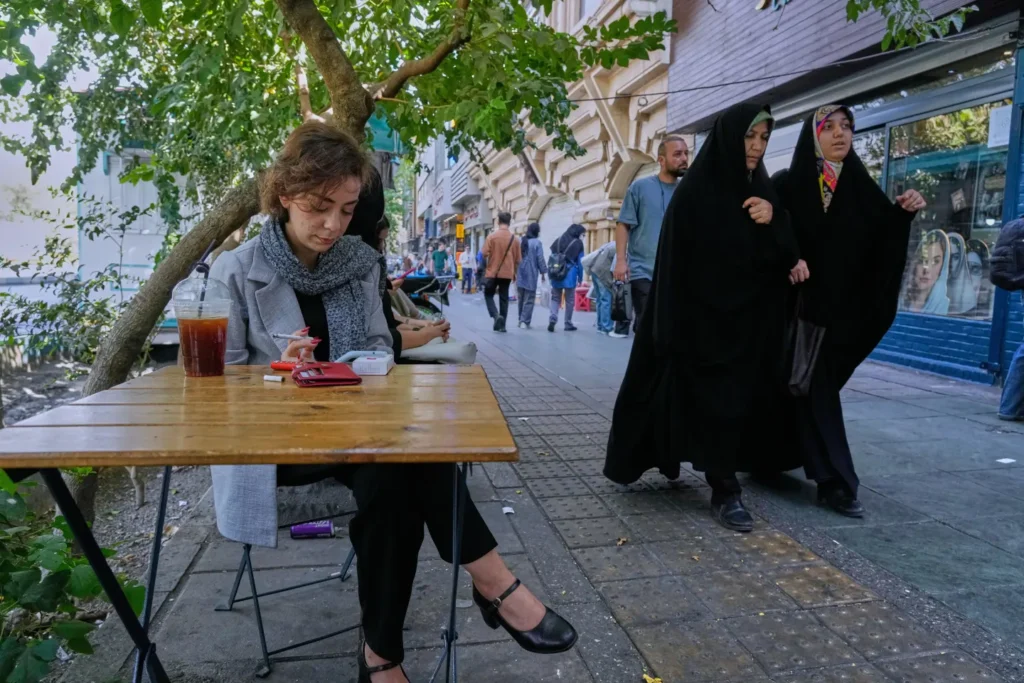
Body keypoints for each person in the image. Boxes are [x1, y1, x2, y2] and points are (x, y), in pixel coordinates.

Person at [209, 122, 576, 683]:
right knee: (405, 466)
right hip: (277, 445)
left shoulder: (359, 262)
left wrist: (355, 366)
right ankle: (493, 585)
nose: (334, 225)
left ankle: (382, 657)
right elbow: (220, 382)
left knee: (395, 480)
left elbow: (382, 348)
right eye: (319, 207)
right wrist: (282, 368)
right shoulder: (236, 270)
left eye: (348, 209)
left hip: (360, 434)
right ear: (284, 196)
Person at [604, 103, 800, 533]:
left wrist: (773, 221)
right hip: (703, 323)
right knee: (710, 403)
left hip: (748, 325)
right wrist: (673, 324)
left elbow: (780, 254)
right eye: (750, 137)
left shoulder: (762, 189)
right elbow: (676, 262)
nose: (756, 146)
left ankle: (723, 477)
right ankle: (725, 490)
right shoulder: (695, 192)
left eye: (764, 138)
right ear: (730, 137)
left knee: (734, 407)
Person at [772, 104, 925, 517]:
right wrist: (788, 258)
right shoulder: (787, 184)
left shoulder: (859, 185)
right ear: (813, 135)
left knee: (808, 390)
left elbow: (881, 243)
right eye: (830, 127)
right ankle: (834, 481)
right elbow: (767, 237)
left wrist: (902, 214)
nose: (840, 134)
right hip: (795, 313)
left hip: (838, 317)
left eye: (847, 127)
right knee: (807, 390)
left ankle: (785, 465)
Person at [614, 134, 689, 333]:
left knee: (671, 330)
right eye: (678, 154)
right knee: (650, 326)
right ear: (661, 160)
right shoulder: (640, 188)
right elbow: (623, 224)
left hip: (676, 274)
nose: (684, 158)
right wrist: (621, 260)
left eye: (686, 154)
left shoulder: (688, 191)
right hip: (643, 272)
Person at [482, 212, 522, 332]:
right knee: (504, 298)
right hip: (507, 273)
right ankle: (502, 325)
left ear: (498, 222)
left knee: (488, 294)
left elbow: (484, 253)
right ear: (509, 223)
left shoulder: (491, 237)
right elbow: (519, 259)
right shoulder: (515, 239)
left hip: (493, 272)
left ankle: (495, 315)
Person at [547, 224, 585, 333]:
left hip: (556, 273)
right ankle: (568, 323)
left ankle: (552, 319)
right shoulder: (578, 244)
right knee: (569, 300)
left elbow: (553, 258)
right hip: (570, 274)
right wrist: (580, 278)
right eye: (582, 234)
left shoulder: (558, 240)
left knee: (555, 298)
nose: (582, 236)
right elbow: (580, 262)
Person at [582, 241, 618, 336]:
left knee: (599, 299)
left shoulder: (611, 244)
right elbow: (616, 265)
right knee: (606, 299)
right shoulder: (621, 246)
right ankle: (607, 327)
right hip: (603, 273)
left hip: (595, 270)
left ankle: (600, 326)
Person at [516, 222, 548, 329]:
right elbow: (540, 259)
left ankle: (520, 319)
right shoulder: (537, 243)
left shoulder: (521, 240)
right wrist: (543, 272)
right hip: (531, 273)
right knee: (529, 298)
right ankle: (524, 321)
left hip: (520, 273)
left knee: (521, 298)